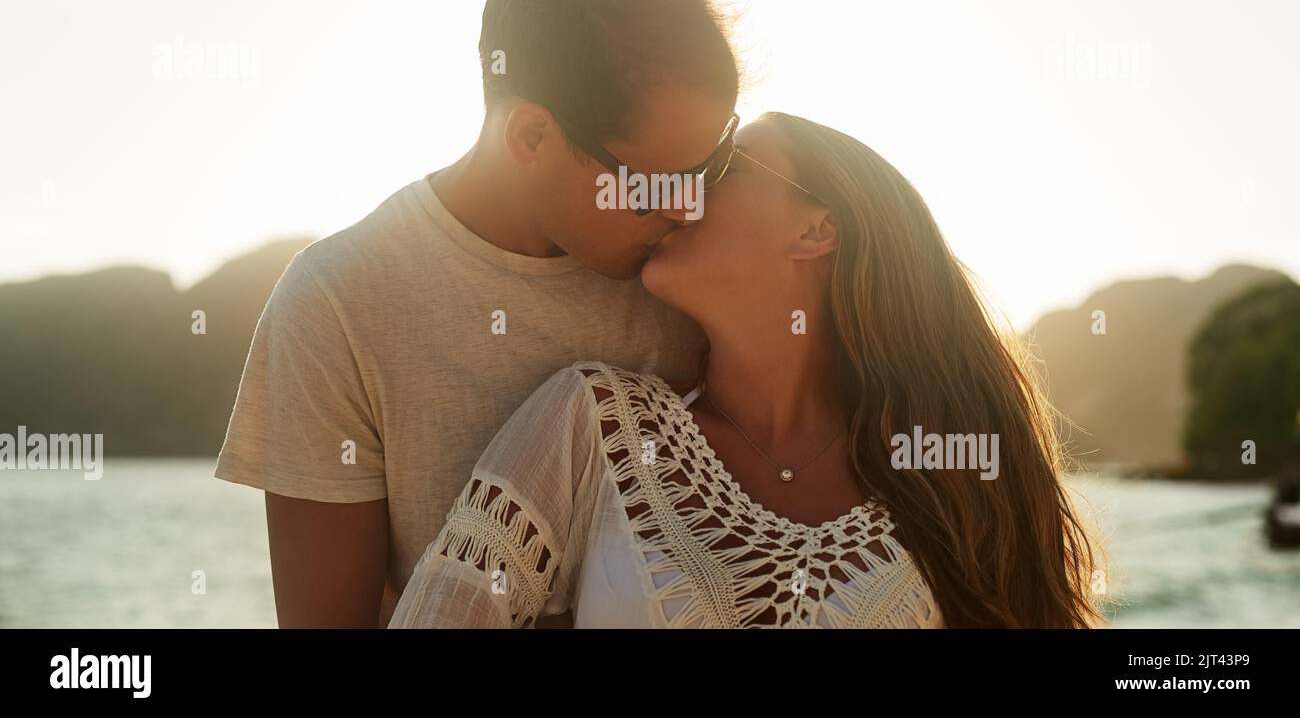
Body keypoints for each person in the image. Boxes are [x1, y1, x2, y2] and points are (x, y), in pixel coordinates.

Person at [213, 0, 740, 627]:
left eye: (714, 161)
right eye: (657, 180)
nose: (691, 207)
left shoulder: (699, 274)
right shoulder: (337, 303)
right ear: (531, 134)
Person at [389, 113, 1106, 628]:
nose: (681, 191)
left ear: (814, 228)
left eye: (723, 168)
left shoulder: (952, 485)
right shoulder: (593, 423)